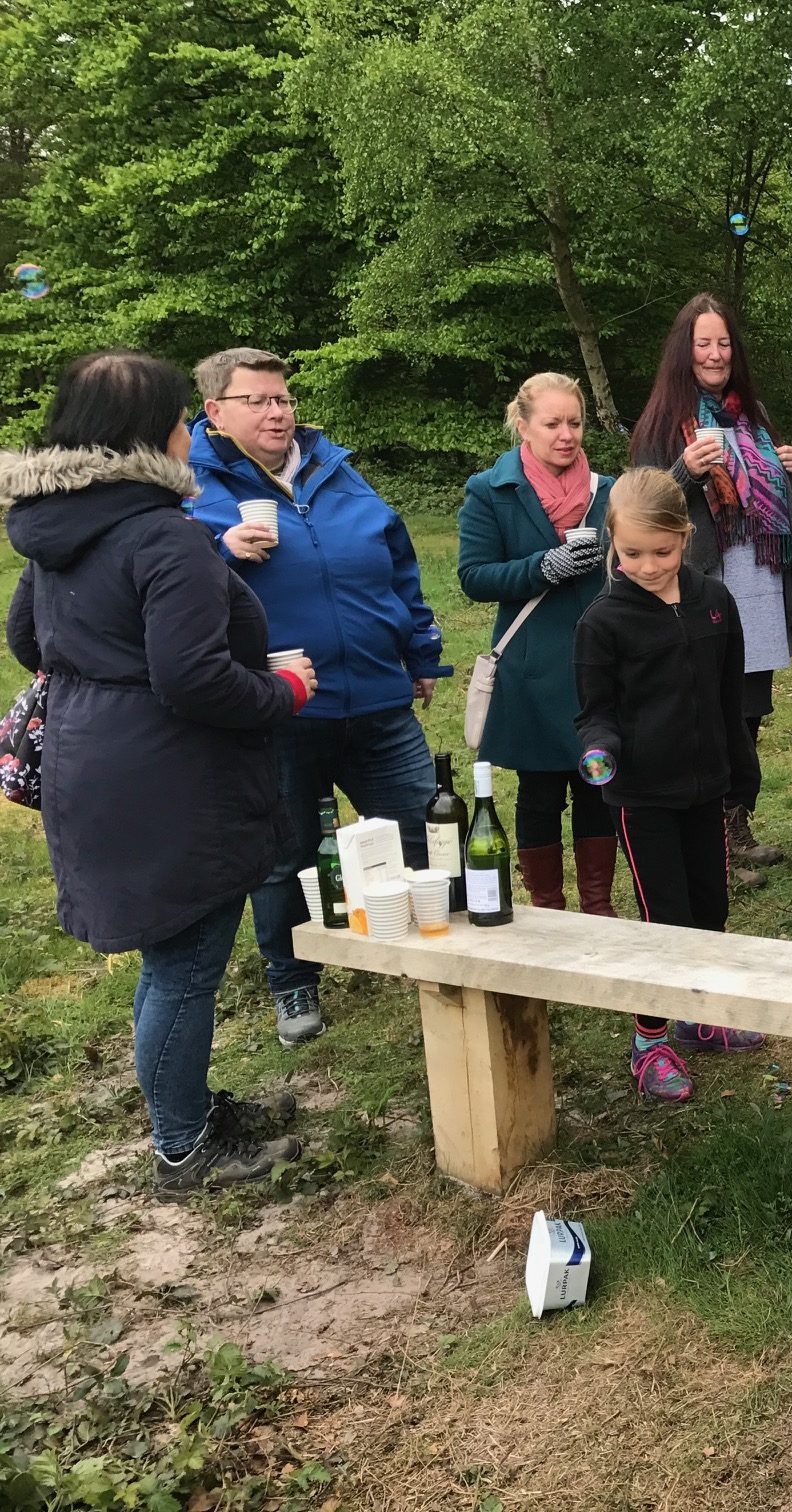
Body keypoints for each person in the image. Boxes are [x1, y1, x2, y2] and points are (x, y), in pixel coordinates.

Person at [4, 351, 311, 1193]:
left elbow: (29, 641)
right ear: (149, 434)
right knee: (185, 965)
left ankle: (186, 1114)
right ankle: (182, 1146)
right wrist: (281, 688)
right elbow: (193, 678)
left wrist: (103, 665)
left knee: (166, 958)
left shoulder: (56, 530)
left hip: (90, 760)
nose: (188, 431)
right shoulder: (160, 534)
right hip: (172, 778)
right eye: (181, 417)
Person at [187, 347, 451, 1049]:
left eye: (283, 399)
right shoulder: (192, 492)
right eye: (258, 401)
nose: (278, 412)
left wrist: (420, 653)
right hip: (277, 707)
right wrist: (218, 555)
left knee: (424, 826)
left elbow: (399, 566)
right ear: (215, 412)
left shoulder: (338, 471)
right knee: (284, 854)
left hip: (375, 694)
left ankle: (442, 955)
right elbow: (161, 593)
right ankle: (291, 980)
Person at [574, 469, 765, 1103]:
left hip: (706, 789)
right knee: (665, 920)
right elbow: (594, 711)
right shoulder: (602, 622)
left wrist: (742, 773)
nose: (648, 565)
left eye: (662, 551)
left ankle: (699, 1014)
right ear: (613, 545)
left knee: (710, 909)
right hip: (642, 796)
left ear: (685, 537)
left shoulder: (715, 599)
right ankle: (649, 1040)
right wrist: (600, 750)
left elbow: (729, 695)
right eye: (631, 554)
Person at [629, 293, 792, 886]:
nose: (715, 354)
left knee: (748, 709)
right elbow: (641, 505)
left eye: (723, 342)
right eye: (703, 343)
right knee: (708, 713)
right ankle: (708, 837)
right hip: (702, 586)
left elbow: (775, 504)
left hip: (758, 584)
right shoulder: (664, 422)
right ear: (683, 351)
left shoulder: (752, 415)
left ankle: (736, 825)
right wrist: (683, 472)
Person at [457, 373, 617, 915]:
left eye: (574, 422)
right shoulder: (490, 490)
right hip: (531, 668)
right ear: (523, 425)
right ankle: (547, 907)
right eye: (552, 423)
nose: (566, 434)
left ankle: (597, 906)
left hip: (598, 663)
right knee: (541, 792)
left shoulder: (607, 490)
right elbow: (474, 577)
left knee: (598, 783)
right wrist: (540, 567)